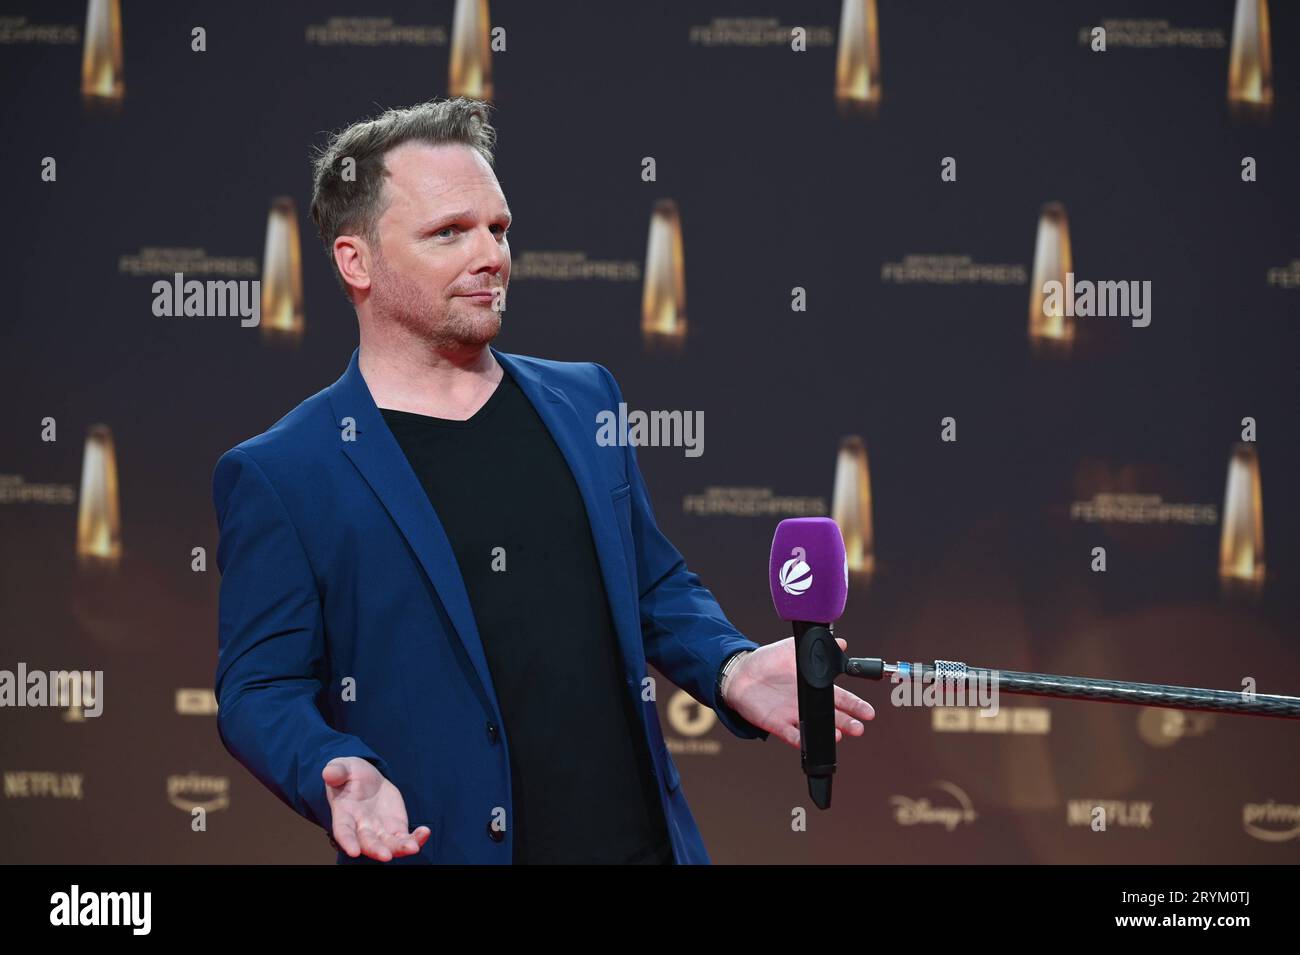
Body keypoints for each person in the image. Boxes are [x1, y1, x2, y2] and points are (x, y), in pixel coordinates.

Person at [212, 97, 874, 865]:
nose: (490, 254)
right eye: (449, 232)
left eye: (498, 228)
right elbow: (259, 690)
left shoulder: (584, 399)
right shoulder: (284, 470)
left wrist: (729, 665)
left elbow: (653, 585)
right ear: (355, 261)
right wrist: (337, 770)